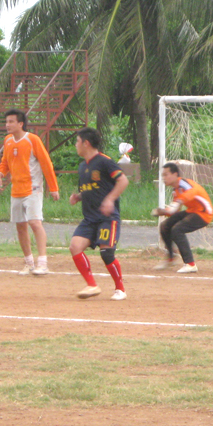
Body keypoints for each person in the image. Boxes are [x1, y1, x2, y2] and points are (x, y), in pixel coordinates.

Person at [0, 109, 60, 276]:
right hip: (16, 190)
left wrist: (53, 188)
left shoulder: (32, 140)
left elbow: (46, 163)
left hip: (33, 189)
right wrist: (0, 174)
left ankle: (42, 263)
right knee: (20, 226)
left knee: (35, 223)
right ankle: (29, 263)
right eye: (6, 121)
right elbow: (5, 162)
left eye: (11, 121)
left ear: (20, 123)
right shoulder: (8, 140)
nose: (7, 125)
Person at [69, 127, 129, 300]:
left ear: (86, 143)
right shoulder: (83, 166)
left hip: (107, 218)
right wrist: (79, 197)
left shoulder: (105, 162)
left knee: (106, 253)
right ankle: (92, 285)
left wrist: (110, 199)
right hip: (90, 219)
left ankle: (120, 289)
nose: (76, 145)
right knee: (75, 246)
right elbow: (91, 189)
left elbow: (123, 180)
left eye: (77, 141)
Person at [152, 162, 213, 274]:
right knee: (165, 225)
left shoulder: (184, 183)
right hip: (192, 211)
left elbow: (193, 191)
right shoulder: (175, 190)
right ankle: (171, 258)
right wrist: (164, 212)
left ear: (175, 174)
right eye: (162, 175)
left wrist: (180, 201)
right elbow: (175, 211)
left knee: (177, 229)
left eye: (166, 174)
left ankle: (190, 264)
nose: (163, 178)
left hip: (204, 213)